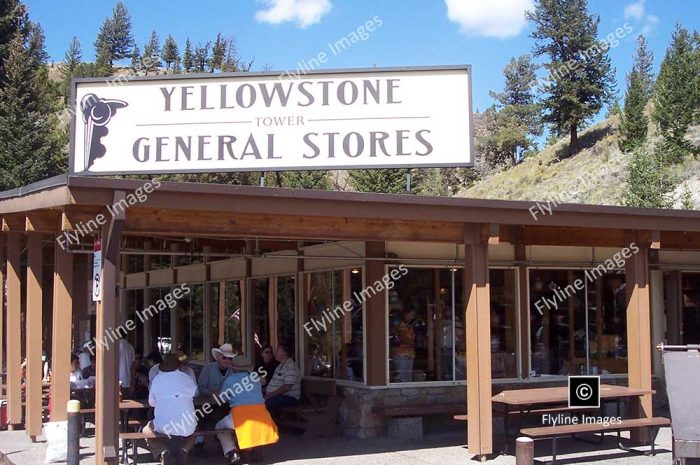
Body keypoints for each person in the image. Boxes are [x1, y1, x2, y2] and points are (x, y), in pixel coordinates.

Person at [215, 356, 279, 464]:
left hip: (240, 415)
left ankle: (232, 451)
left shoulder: (230, 379)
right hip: (262, 414)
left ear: (234, 368)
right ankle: (252, 450)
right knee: (252, 427)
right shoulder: (255, 378)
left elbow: (222, 398)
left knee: (219, 427)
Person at [144, 354, 198, 462]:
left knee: (146, 430)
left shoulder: (157, 380)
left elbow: (151, 402)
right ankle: (184, 450)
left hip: (163, 426)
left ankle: (162, 451)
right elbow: (194, 394)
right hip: (187, 424)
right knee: (194, 430)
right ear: (179, 366)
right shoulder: (188, 379)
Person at [194, 343, 237, 455]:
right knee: (201, 416)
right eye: (224, 358)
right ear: (218, 357)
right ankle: (199, 443)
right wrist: (211, 392)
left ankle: (226, 445)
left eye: (230, 358)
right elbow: (201, 387)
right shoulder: (207, 369)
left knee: (229, 416)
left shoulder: (232, 371)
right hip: (206, 403)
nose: (227, 360)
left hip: (224, 403)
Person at [264, 342, 301, 417]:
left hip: (290, 398)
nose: (275, 353)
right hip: (277, 396)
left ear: (284, 353)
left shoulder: (291, 367)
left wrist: (269, 395)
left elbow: (287, 387)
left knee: (268, 402)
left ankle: (270, 425)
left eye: (277, 350)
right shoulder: (280, 366)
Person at [393, 307, 416, 382]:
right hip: (401, 353)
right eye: (411, 315)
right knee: (401, 376)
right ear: (406, 314)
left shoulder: (409, 325)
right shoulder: (399, 324)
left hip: (410, 353)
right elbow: (402, 338)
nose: (412, 317)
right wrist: (413, 343)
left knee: (408, 377)